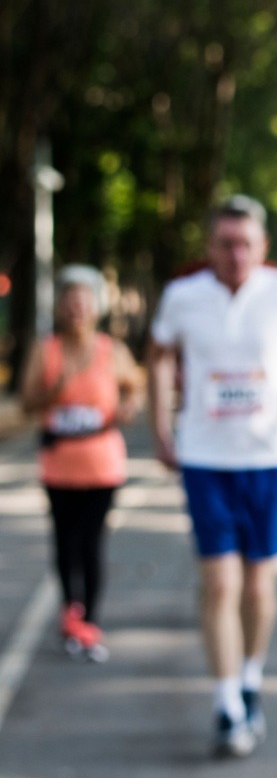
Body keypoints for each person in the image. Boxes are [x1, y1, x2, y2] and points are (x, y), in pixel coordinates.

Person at [148, 195, 277, 759]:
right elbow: (157, 356)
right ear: (210, 247)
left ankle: (250, 677)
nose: (236, 254)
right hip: (205, 459)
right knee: (220, 584)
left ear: (263, 247)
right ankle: (227, 702)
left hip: (267, 458)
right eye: (225, 244)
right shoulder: (184, 297)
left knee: (258, 587)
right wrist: (161, 426)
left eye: (246, 244)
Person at [20, 265, 144, 663]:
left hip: (102, 465)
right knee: (64, 545)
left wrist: (127, 407)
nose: (76, 309)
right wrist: (52, 392)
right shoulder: (47, 351)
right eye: (69, 302)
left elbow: (134, 387)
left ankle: (88, 621)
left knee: (90, 544)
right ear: (59, 308)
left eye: (83, 302)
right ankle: (70, 612)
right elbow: (27, 404)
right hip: (59, 464)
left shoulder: (112, 351)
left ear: (95, 308)